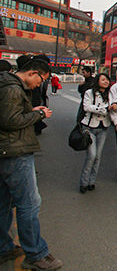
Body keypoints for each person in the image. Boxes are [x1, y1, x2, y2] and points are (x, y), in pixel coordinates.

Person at [0, 59, 63, 270]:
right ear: (33, 73)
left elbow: (11, 115)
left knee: (4, 203)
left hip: (6, 151)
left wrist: (30, 111)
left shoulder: (8, 84)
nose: (39, 85)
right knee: (29, 204)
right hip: (15, 152)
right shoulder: (13, 90)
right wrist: (38, 114)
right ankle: (36, 254)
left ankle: (4, 247)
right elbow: (9, 121)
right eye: (41, 80)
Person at [79, 73, 115, 194]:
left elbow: (115, 105)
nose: (106, 82)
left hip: (103, 128)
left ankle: (92, 181)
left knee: (98, 157)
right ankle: (83, 182)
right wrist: (102, 109)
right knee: (91, 155)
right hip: (89, 127)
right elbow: (86, 107)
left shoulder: (110, 93)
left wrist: (115, 106)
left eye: (107, 80)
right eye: (103, 79)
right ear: (97, 81)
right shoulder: (89, 92)